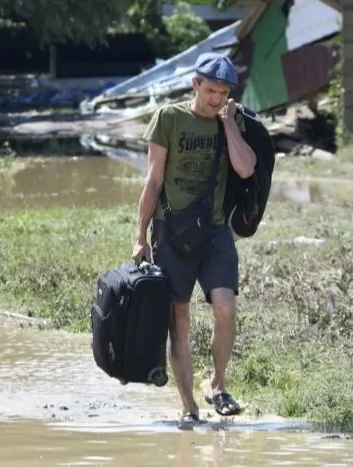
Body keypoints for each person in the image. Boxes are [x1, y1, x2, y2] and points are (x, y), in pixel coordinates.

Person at [132, 52, 257, 427]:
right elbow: (153, 181)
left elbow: (246, 168)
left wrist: (229, 124)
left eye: (224, 93)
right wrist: (139, 236)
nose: (217, 99)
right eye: (211, 91)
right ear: (195, 85)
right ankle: (189, 407)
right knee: (179, 321)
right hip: (171, 236)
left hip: (216, 233)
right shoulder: (169, 119)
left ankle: (216, 384)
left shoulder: (228, 121)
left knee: (225, 309)